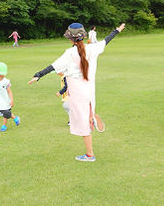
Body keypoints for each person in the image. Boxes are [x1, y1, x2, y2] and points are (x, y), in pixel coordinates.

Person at [29, 22, 125, 162]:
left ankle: (90, 154)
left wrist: (38, 75)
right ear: (83, 36)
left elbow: (53, 66)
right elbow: (106, 40)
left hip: (77, 90)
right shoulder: (92, 48)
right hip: (89, 88)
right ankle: (91, 118)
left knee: (82, 123)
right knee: (84, 116)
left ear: (70, 38)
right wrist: (117, 30)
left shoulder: (70, 53)